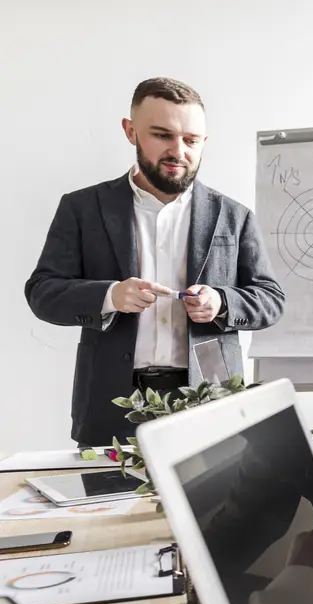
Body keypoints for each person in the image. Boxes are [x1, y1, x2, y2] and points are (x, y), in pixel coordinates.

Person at [25, 77, 285, 447]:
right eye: (162, 135)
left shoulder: (234, 215)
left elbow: (271, 299)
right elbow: (42, 292)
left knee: (214, 507)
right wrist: (110, 296)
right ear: (130, 132)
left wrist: (222, 303)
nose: (178, 151)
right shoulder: (82, 209)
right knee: (108, 505)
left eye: (191, 140)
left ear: (203, 142)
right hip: (112, 403)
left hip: (210, 401)